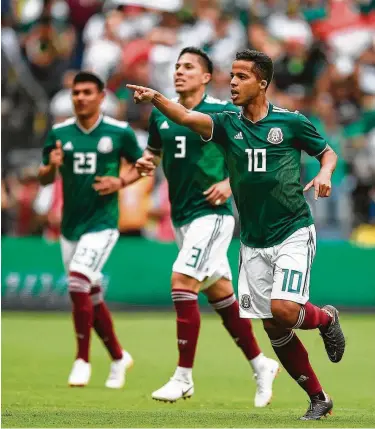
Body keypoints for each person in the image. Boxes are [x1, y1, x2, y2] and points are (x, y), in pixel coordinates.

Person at [128, 49, 346, 420]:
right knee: (274, 324)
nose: (232, 82)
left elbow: (327, 153)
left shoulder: (290, 123)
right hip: (254, 240)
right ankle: (318, 398)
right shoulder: (227, 123)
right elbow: (184, 115)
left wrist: (324, 174)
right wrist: (157, 99)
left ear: (262, 83)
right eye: (231, 75)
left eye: (242, 76)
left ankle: (326, 319)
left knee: (284, 309)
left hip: (293, 229)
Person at [138, 47, 279, 406]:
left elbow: (255, 154)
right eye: (177, 66)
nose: (180, 72)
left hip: (212, 215)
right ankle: (261, 363)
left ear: (205, 77)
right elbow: (154, 152)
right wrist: (146, 162)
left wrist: (231, 183)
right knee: (220, 295)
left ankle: (183, 377)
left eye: (189, 67)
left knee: (182, 280)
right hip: (182, 217)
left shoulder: (224, 112)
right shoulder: (163, 115)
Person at [38, 71, 143, 388]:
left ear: (101, 97)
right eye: (76, 93)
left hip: (103, 222)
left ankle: (82, 359)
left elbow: (142, 164)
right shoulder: (58, 132)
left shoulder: (119, 132)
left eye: (87, 92)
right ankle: (118, 357)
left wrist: (120, 181)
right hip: (71, 226)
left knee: (79, 278)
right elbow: (44, 178)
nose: (80, 97)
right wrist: (51, 166)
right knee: (89, 295)